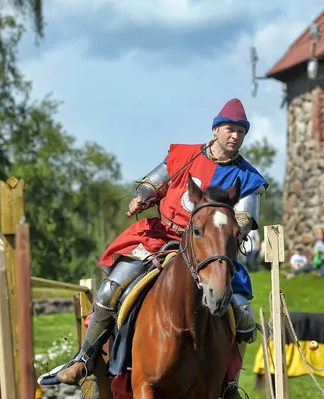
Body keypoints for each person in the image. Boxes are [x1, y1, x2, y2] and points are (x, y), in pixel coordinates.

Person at [47, 98, 268, 398]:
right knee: (111, 289)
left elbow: (245, 217)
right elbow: (153, 181)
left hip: (211, 248)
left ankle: (227, 384)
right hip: (161, 237)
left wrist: (222, 229)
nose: (235, 136)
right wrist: (141, 196)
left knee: (243, 313)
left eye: (241, 132)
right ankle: (84, 359)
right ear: (216, 129)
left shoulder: (248, 177)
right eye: (230, 129)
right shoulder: (184, 156)